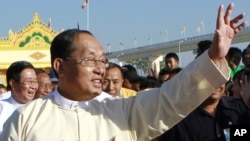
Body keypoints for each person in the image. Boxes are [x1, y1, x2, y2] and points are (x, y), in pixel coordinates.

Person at [0, 3, 246, 140]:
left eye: (103, 61)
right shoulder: (26, 119)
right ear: (60, 66)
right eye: (90, 59)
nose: (100, 69)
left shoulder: (121, 111)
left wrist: (213, 55)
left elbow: (171, 98)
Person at [157, 83, 250, 141]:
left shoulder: (238, 107)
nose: (215, 84)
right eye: (208, 78)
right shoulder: (179, 118)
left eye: (219, 78)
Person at [0, 61, 38, 136]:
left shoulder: (40, 107)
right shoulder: (2, 108)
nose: (33, 86)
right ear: (13, 84)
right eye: (28, 81)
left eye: (35, 81)